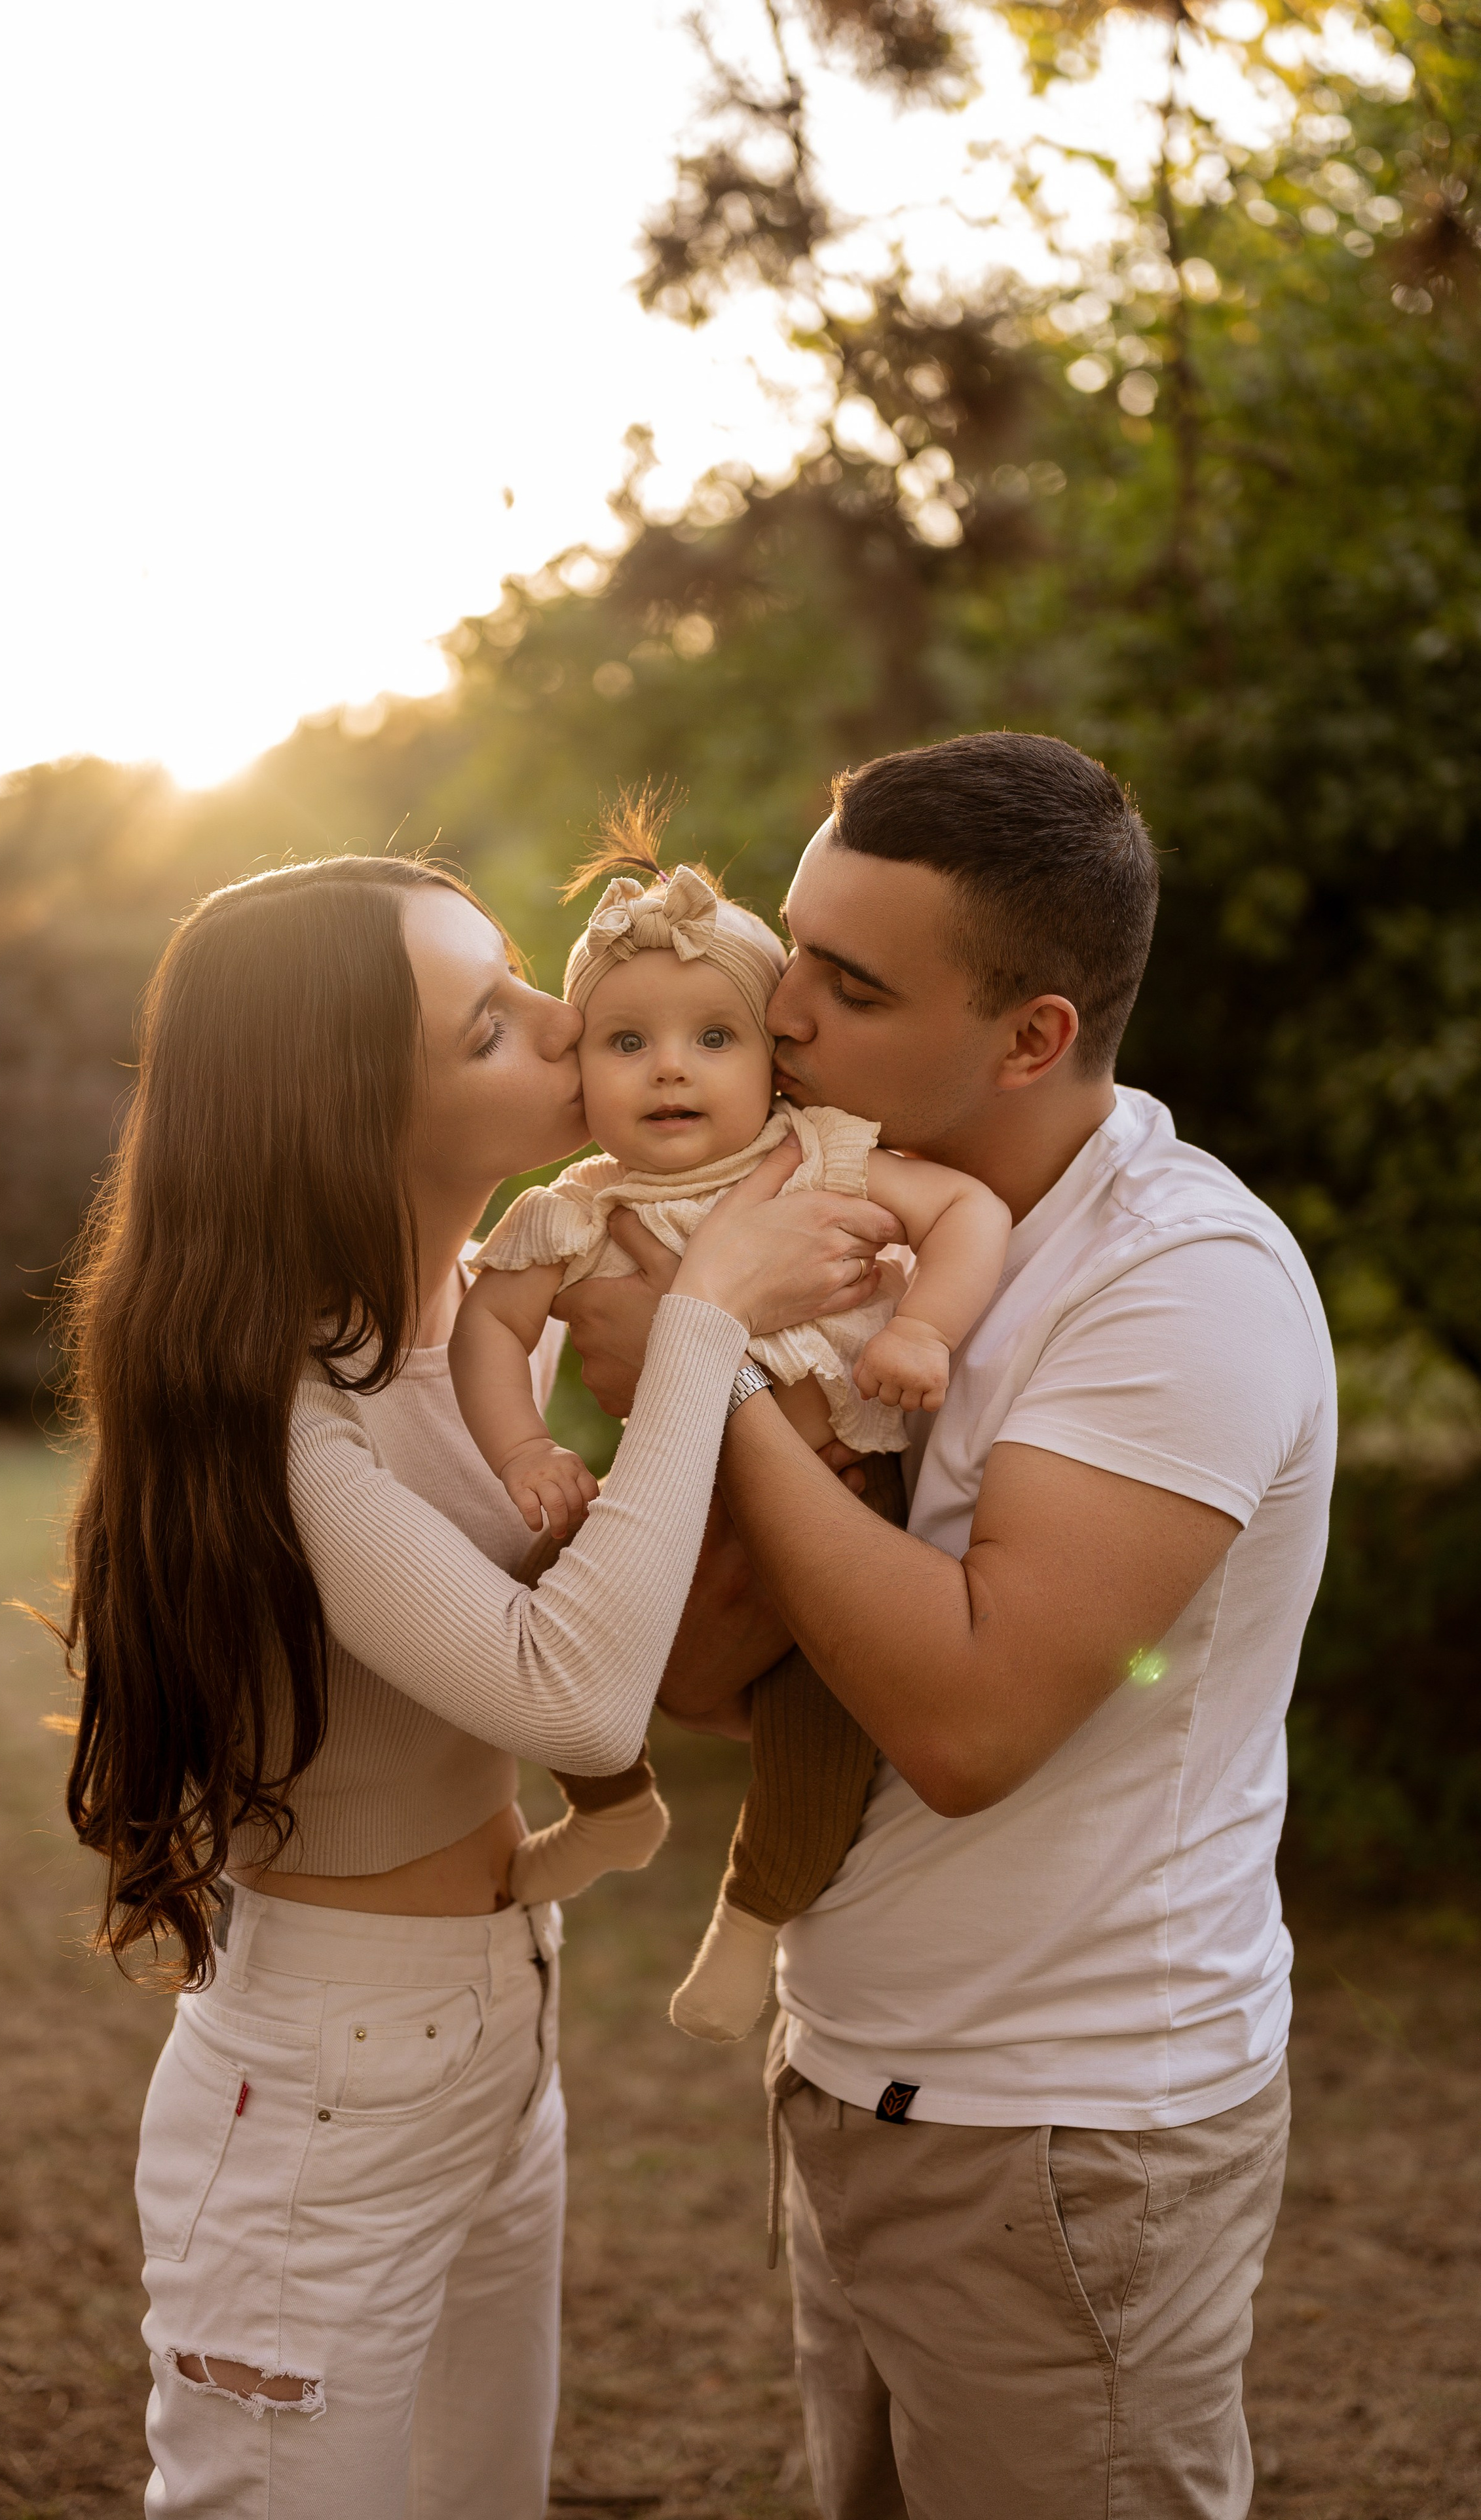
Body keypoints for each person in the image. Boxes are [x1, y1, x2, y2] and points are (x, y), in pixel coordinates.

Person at [52, 853, 898, 2520]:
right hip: (325, 2081)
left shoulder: (452, 1338)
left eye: (526, 981)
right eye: (488, 1021)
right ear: (346, 1103)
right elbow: (574, 1701)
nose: (567, 1017)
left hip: (498, 2013)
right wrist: (709, 1325)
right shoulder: (290, 1414)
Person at [557, 733, 1338, 2520]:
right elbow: (695, 1683)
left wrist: (705, 1372)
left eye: (849, 982)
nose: (783, 1008)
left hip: (1069, 2133)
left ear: (1033, 1036)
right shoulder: (823, 1213)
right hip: (846, 2074)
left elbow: (972, 1723)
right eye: (789, 945)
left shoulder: (1180, 1287)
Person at [451, 819, 1009, 2042]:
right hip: (667, 1504)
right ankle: (611, 1805)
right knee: (529, 1601)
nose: (669, 1070)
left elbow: (967, 1208)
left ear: (776, 1063)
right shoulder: (573, 1209)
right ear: (580, 1068)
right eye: (626, 1041)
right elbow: (486, 1334)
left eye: (714, 1039)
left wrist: (924, 1329)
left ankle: (756, 1916)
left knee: (825, 1704)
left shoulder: (820, 1157)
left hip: (838, 1493)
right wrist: (527, 1453)